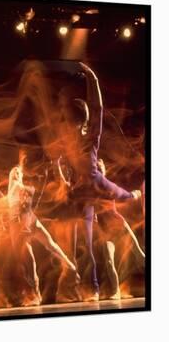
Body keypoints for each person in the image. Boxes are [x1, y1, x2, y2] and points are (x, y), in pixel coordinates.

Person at [57, 64, 142, 301]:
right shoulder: (73, 138)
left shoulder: (87, 136)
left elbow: (97, 109)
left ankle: (135, 195)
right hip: (85, 190)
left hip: (92, 184)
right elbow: (94, 110)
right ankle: (91, 288)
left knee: (124, 195)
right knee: (87, 241)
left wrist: (92, 79)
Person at [7, 165, 79, 307]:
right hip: (21, 224)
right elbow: (27, 192)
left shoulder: (20, 186)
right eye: (13, 172)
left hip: (30, 219)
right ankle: (35, 294)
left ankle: (68, 264)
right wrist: (37, 182)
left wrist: (39, 181)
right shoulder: (15, 186)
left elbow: (31, 196)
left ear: (21, 175)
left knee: (49, 244)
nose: (16, 173)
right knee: (30, 262)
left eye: (18, 172)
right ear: (11, 176)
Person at [95, 159, 145, 300]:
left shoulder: (109, 186)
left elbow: (123, 195)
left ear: (104, 170)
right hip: (106, 232)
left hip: (120, 225)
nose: (99, 170)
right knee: (109, 261)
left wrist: (134, 195)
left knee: (140, 256)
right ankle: (116, 291)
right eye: (97, 168)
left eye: (101, 167)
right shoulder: (93, 189)